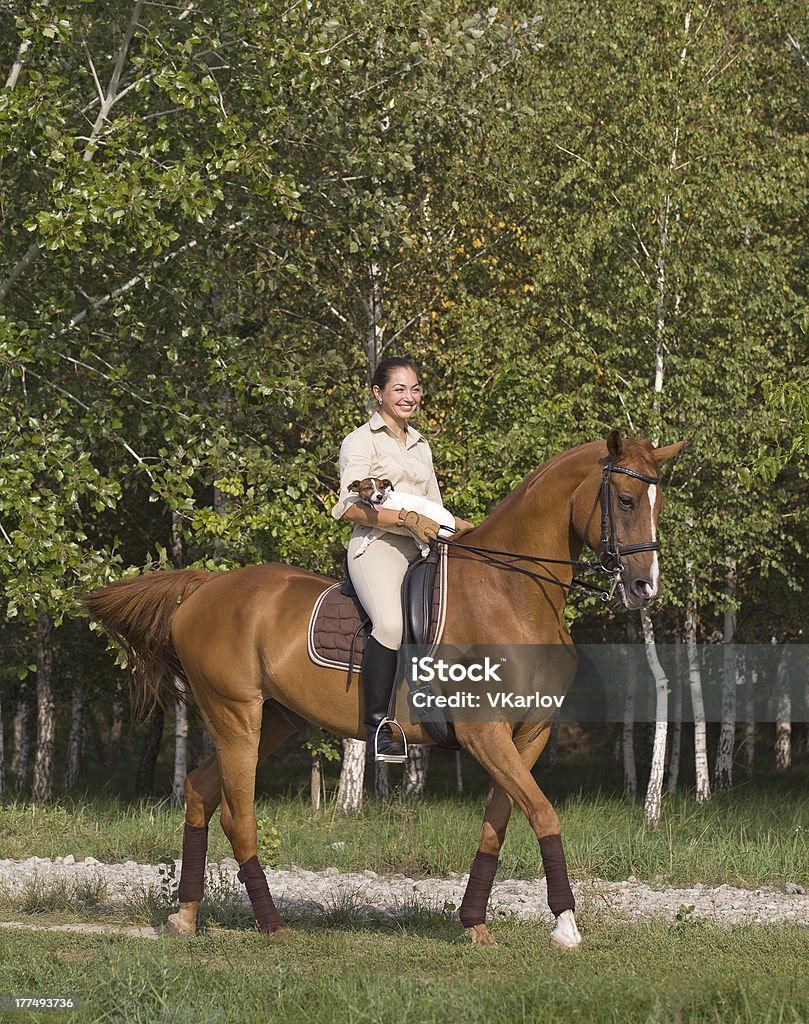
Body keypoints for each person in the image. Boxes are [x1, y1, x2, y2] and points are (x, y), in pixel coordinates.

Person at [331, 357, 473, 759]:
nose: (409, 397)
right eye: (399, 389)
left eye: (415, 389)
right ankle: (379, 728)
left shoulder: (421, 444)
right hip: (378, 546)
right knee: (391, 625)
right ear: (378, 393)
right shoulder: (361, 441)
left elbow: (435, 506)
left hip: (425, 547)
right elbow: (351, 508)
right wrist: (407, 519)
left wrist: (462, 528)